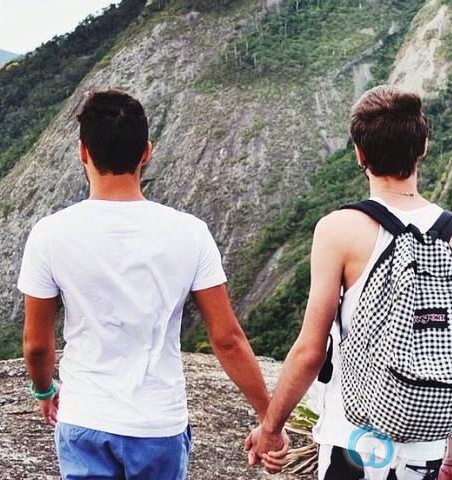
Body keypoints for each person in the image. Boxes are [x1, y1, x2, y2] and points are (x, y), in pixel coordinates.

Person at [17, 89, 270, 480]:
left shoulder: (50, 234)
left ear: (83, 152)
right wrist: (269, 418)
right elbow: (227, 340)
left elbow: (36, 344)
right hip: (158, 423)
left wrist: (44, 391)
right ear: (146, 152)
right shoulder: (190, 233)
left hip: (86, 417)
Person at [245, 85, 452, 479]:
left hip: (353, 444)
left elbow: (310, 350)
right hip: (426, 450)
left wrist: (270, 429)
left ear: (359, 155)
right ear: (423, 147)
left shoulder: (339, 230)